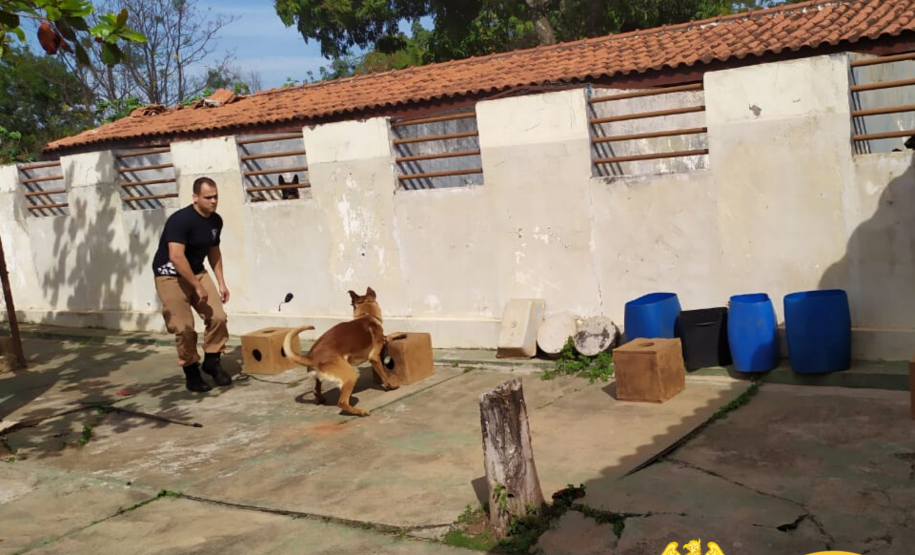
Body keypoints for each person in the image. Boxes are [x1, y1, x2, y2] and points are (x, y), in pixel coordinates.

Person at [151, 176, 232, 392]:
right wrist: (197, 286)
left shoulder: (216, 221)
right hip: (169, 275)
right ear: (195, 198)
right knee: (184, 327)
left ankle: (212, 362)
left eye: (216, 197)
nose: (213, 201)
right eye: (208, 197)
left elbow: (214, 252)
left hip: (196, 271)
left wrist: (221, 283)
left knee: (218, 317)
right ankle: (192, 372)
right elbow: (176, 257)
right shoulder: (180, 220)